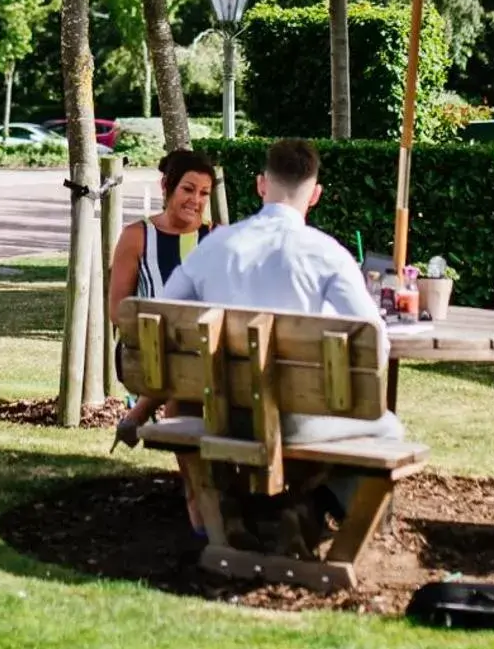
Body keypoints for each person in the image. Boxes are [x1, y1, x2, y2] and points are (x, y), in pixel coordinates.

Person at [163, 137, 404, 460]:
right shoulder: (328, 254)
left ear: (261, 184)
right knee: (389, 427)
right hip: (294, 420)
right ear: (315, 194)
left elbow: (163, 312)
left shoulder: (213, 246)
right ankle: (325, 504)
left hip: (220, 412)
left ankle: (295, 506)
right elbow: (375, 344)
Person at [109, 150, 216, 449]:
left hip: (201, 352)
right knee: (188, 372)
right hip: (146, 350)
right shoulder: (137, 235)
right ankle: (193, 487)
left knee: (194, 369)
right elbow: (118, 311)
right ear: (166, 186)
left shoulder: (217, 237)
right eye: (188, 189)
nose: (196, 200)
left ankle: (139, 415)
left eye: (204, 193)